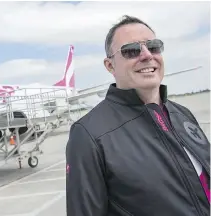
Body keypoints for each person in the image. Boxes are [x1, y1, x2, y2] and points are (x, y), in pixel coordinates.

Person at [65, 15, 210, 216]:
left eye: (154, 46)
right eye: (131, 50)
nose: (146, 55)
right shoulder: (89, 134)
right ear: (110, 66)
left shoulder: (183, 115)